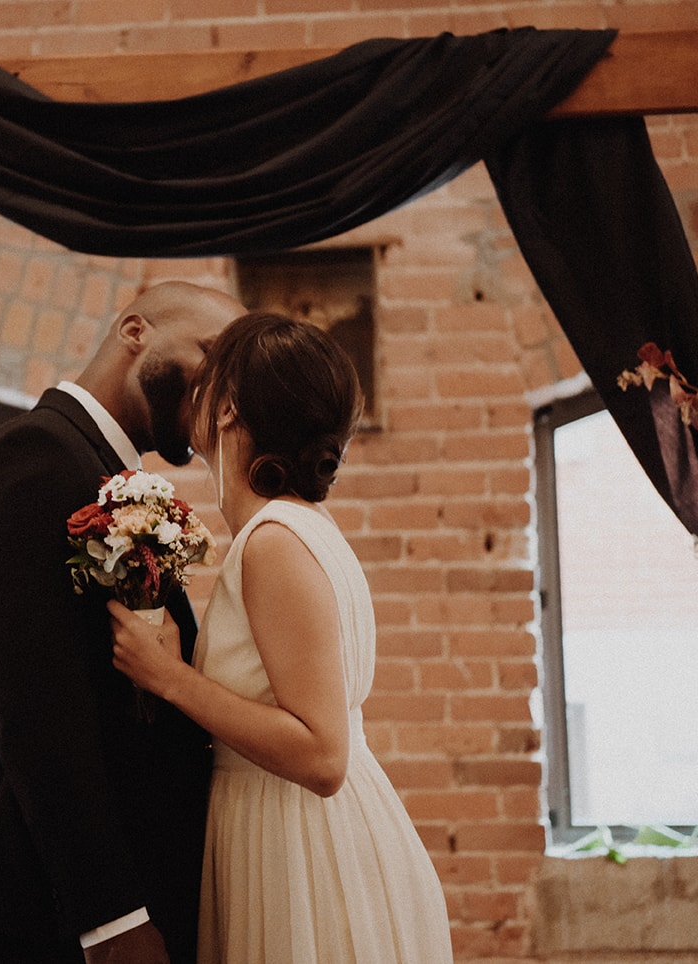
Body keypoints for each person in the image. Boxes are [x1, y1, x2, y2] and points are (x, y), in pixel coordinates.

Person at [0, 281, 248, 964]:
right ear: (135, 332)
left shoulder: (98, 471)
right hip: (43, 918)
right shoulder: (34, 457)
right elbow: (34, 708)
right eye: (210, 353)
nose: (222, 391)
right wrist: (113, 921)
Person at [108, 312, 454, 964]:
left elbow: (322, 757)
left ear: (228, 407)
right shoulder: (298, 528)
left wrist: (171, 679)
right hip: (289, 828)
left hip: (302, 847)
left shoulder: (275, 543)